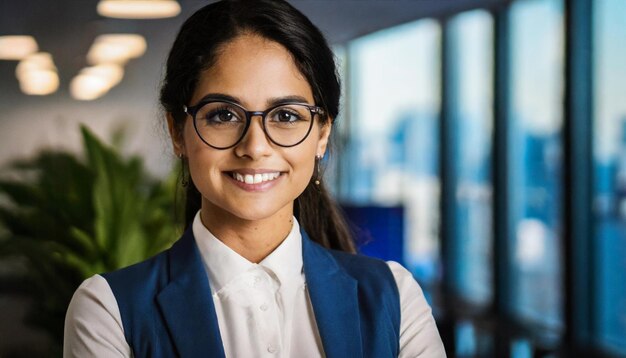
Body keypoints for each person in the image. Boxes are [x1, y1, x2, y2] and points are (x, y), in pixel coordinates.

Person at [63, 0, 446, 357]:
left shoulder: (394, 297)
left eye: (286, 115)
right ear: (178, 131)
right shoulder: (109, 309)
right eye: (223, 115)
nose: (255, 146)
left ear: (323, 132)